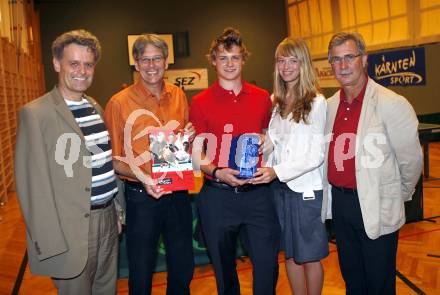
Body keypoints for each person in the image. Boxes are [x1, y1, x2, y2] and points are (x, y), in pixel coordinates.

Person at [15, 29, 123, 294]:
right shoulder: (35, 114)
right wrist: (51, 244)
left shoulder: (94, 107)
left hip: (108, 220)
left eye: (88, 65)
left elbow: (103, 162)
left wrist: (117, 210)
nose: (82, 71)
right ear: (56, 63)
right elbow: (32, 187)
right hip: (71, 230)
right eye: (73, 63)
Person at [322, 32, 422, 294]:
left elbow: (411, 162)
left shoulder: (392, 104)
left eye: (349, 57)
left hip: (377, 203)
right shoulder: (330, 106)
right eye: (336, 59)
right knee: (352, 280)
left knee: (379, 283)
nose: (343, 65)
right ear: (330, 64)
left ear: (364, 59)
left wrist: (394, 197)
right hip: (342, 206)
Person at [189, 27, 280, 295]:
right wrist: (216, 172)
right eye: (223, 57)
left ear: (244, 60)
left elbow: (267, 134)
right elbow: (195, 151)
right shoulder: (200, 102)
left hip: (258, 196)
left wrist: (268, 142)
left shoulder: (262, 97)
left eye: (236, 57)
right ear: (213, 61)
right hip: (218, 198)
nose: (230, 63)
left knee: (267, 267)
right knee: (225, 275)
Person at [104, 34, 195, 295]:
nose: (152, 65)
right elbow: (113, 159)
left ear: (167, 62)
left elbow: (181, 142)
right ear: (136, 63)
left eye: (157, 59)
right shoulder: (118, 103)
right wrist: (144, 178)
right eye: (145, 60)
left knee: (182, 266)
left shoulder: (178, 95)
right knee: (141, 270)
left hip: (177, 195)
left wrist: (189, 135)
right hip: (142, 199)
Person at [250, 37, 329, 295]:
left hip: (304, 189)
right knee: (290, 254)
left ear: (303, 63)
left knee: (308, 256)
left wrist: (276, 172)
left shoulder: (316, 102)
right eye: (281, 61)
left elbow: (314, 155)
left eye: (292, 60)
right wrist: (259, 145)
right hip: (278, 189)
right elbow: (274, 141)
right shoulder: (277, 100)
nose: (286, 66)